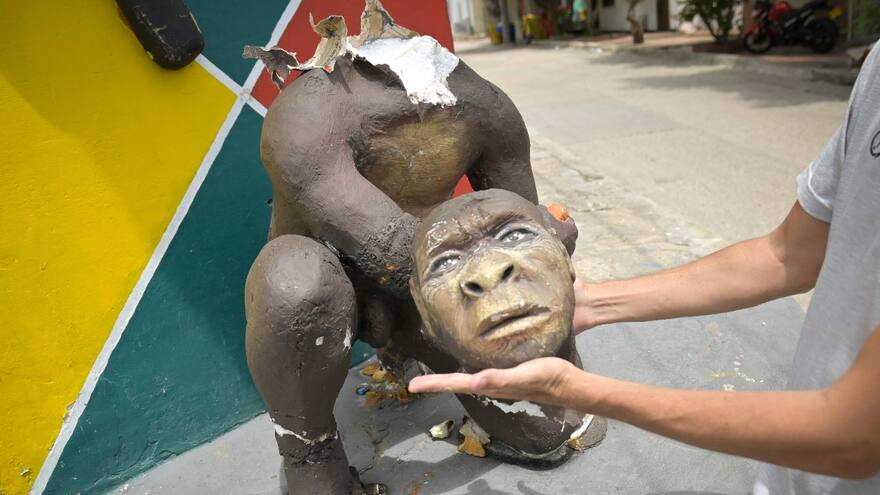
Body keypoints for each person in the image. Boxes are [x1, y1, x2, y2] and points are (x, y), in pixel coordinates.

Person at [409, 45, 880, 494]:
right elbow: (789, 253)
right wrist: (594, 303)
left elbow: (853, 435)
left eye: (515, 236)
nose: (488, 274)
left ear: (563, 241)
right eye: (448, 263)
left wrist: (577, 390)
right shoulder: (875, 70)